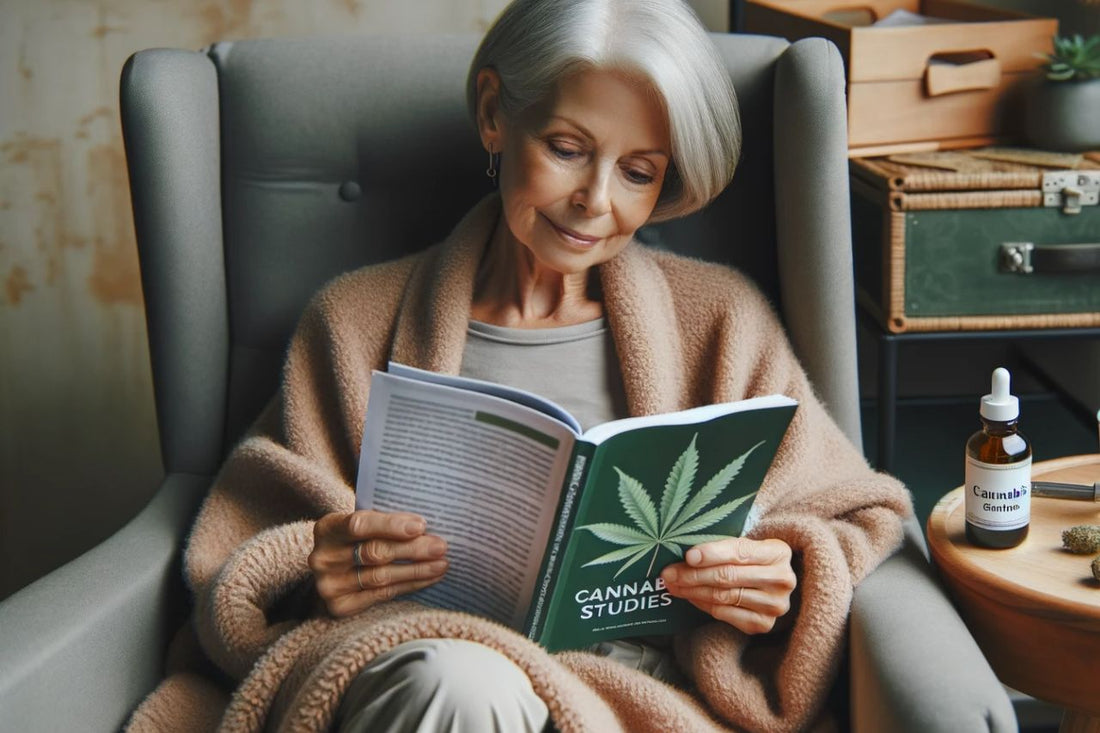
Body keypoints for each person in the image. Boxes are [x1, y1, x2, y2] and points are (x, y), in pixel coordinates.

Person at [126, 1, 912, 731]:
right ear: (496, 113)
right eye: (567, 150)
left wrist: (783, 571)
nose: (595, 200)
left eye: (639, 171)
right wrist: (316, 566)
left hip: (634, 693)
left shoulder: (722, 319)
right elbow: (252, 549)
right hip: (426, 671)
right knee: (459, 682)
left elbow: (853, 509)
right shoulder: (353, 320)